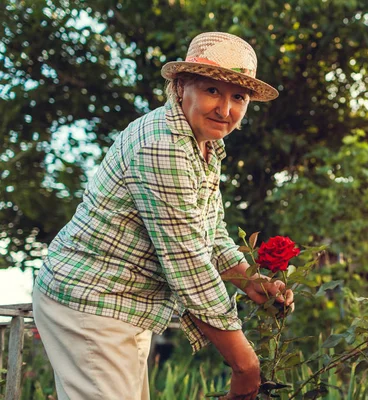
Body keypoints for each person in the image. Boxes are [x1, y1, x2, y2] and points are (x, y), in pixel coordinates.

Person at [32, 31, 293, 400]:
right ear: (182, 86)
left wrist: (251, 281)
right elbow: (188, 263)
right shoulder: (162, 146)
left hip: (129, 306)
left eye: (239, 97)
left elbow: (211, 235)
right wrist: (245, 366)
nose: (225, 109)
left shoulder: (204, 143)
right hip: (90, 304)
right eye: (212, 91)